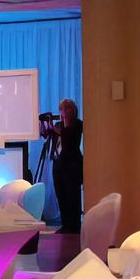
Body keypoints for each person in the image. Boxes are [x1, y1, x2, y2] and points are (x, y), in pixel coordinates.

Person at [51, 98, 83, 234]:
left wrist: (63, 124)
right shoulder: (59, 125)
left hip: (72, 165)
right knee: (61, 195)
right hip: (58, 163)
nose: (63, 112)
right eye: (61, 109)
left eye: (66, 109)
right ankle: (65, 224)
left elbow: (69, 140)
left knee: (72, 195)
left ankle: (74, 226)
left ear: (72, 110)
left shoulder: (77, 125)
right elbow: (47, 135)